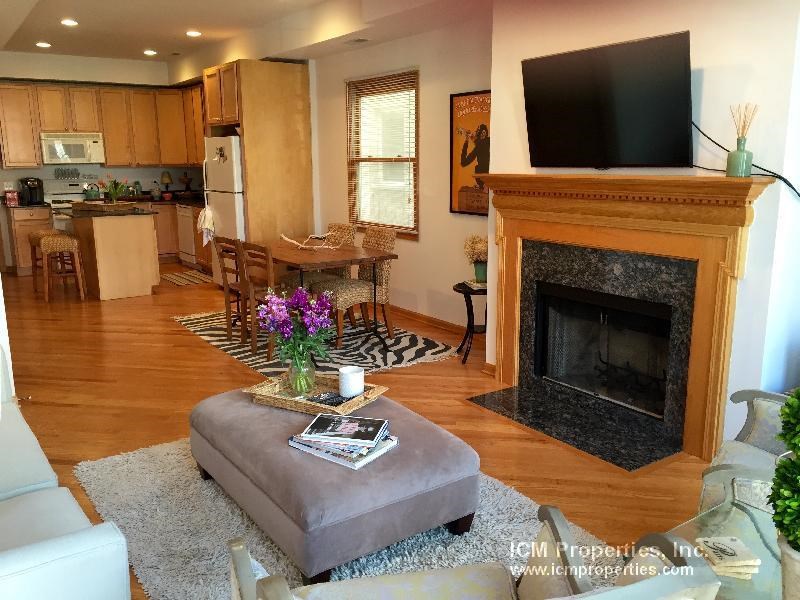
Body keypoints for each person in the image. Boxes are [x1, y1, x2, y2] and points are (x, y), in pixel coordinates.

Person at [460, 123, 490, 190]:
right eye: (479, 132)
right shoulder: (478, 148)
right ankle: (482, 187)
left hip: (489, 177)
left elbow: (481, 143)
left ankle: (483, 186)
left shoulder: (488, 141)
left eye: (483, 132)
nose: (482, 134)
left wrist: (469, 138)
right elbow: (463, 163)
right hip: (483, 179)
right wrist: (466, 141)